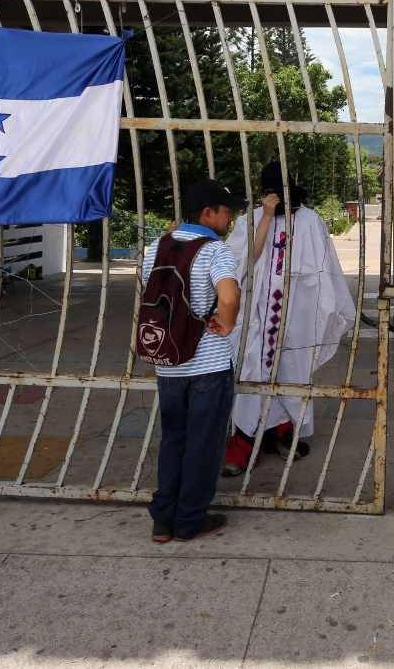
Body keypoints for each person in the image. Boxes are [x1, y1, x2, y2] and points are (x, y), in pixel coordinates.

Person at [221, 161, 356, 476]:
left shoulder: (309, 221)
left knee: (292, 370)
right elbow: (237, 264)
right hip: (254, 317)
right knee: (251, 370)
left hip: (296, 314)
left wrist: (324, 309)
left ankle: (283, 432)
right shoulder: (250, 220)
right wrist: (266, 217)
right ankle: (243, 442)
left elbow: (325, 269)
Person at [140, 179, 245, 543]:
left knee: (174, 438)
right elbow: (228, 296)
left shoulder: (156, 247)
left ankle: (163, 518)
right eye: (226, 212)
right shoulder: (216, 250)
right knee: (204, 442)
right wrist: (226, 322)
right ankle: (189, 519)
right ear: (207, 213)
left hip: (168, 363)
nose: (230, 220)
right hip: (208, 365)